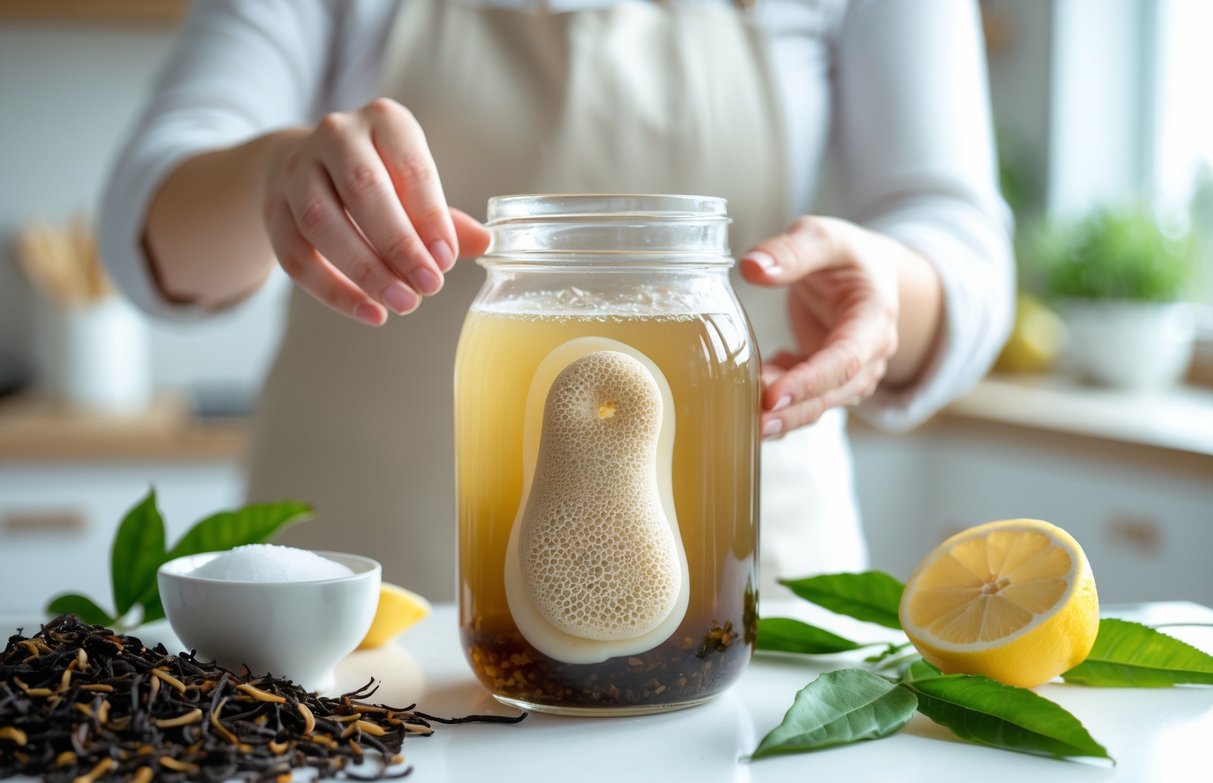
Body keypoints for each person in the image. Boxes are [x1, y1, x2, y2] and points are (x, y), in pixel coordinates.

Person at [100, 0, 1013, 603]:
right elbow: (148, 223)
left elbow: (954, 231)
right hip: (369, 605)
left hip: (749, 586)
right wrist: (273, 172)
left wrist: (889, 287)